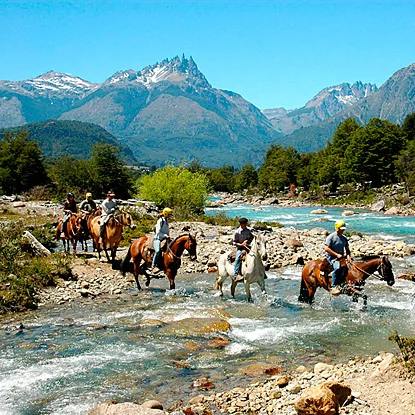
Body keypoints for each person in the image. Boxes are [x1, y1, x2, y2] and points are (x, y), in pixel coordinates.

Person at [325, 220, 351, 295]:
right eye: (341, 229)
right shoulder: (331, 237)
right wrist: (336, 254)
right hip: (332, 257)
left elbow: (347, 250)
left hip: (341, 257)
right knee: (337, 268)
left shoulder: (344, 238)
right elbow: (326, 249)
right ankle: (334, 286)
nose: (343, 230)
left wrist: (348, 257)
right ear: (337, 228)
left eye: (343, 229)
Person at [151, 207, 173, 274]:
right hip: (158, 238)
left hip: (164, 238)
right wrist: (165, 235)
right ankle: (153, 266)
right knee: (158, 251)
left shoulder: (166, 221)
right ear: (166, 214)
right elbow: (158, 232)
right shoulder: (160, 221)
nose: (170, 216)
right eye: (169, 215)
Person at [233, 217, 254, 282]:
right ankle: (236, 275)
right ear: (240, 224)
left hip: (248, 246)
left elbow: (251, 237)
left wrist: (247, 241)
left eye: (245, 223)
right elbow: (234, 242)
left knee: (256, 255)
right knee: (238, 258)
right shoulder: (237, 232)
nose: (244, 225)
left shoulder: (249, 231)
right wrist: (241, 244)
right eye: (243, 223)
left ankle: (261, 272)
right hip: (240, 247)